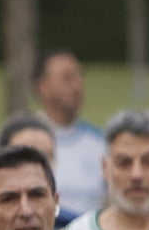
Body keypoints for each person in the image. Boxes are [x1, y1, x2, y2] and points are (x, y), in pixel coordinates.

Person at [30, 50, 106, 216]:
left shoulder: (100, 143)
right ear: (42, 86)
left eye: (79, 77)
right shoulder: (19, 141)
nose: (77, 86)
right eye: (67, 78)